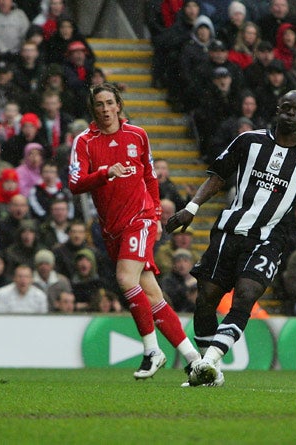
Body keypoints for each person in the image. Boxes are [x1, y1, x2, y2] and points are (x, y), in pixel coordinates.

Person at [165, 90, 296, 387]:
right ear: (277, 110)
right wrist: (191, 207)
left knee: (246, 295)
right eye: (286, 108)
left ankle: (210, 361)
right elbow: (218, 175)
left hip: (268, 238)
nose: (290, 114)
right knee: (205, 300)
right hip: (230, 232)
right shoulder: (248, 140)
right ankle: (207, 369)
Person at [69, 82, 200, 380]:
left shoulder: (138, 135)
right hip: (111, 228)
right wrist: (105, 173)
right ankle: (195, 360)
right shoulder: (85, 141)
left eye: (109, 103)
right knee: (151, 294)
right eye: (99, 104)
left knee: (124, 278)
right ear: (94, 109)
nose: (105, 109)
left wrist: (154, 215)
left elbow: (151, 177)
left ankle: (152, 351)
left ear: (119, 105)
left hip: (138, 219)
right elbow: (76, 183)